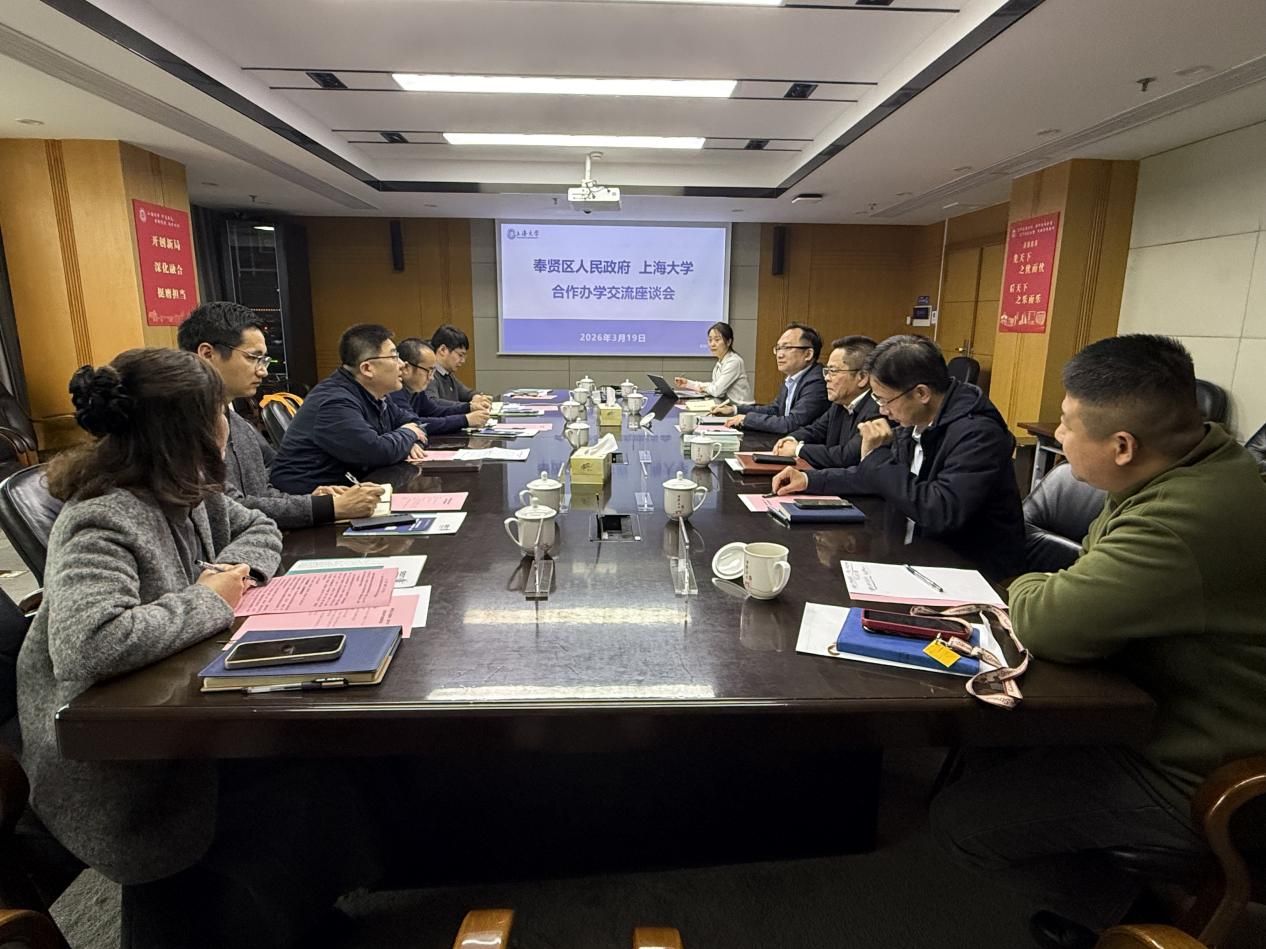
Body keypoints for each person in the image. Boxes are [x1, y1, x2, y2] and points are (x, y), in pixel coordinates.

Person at [16, 349, 382, 947]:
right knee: (296, 770)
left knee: (322, 762)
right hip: (118, 753)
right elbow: (88, 644)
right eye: (220, 413)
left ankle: (299, 912)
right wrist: (210, 599)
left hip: (180, 695)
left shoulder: (186, 488)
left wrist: (238, 572)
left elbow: (258, 527)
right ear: (191, 428)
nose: (228, 425)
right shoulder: (102, 518)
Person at [931, 335, 1266, 949]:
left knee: (962, 823)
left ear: (1122, 446)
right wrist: (1062, 588)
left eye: (1066, 423)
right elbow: (1083, 582)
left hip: (1205, 769)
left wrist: (1024, 581)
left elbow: (1046, 621)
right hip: (1159, 706)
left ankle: (1124, 918)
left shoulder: (1180, 519)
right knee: (991, 748)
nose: (1057, 434)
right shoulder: (1196, 465)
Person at [772, 334, 1023, 579]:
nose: (882, 411)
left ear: (921, 393)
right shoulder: (917, 419)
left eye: (885, 400)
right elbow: (873, 476)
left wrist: (875, 456)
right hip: (914, 554)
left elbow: (939, 510)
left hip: (967, 570)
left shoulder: (977, 434)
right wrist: (809, 480)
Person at [178, 302, 383, 527]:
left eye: (263, 360)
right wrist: (326, 507)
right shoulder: (179, 429)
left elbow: (266, 489)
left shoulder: (238, 424)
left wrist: (312, 499)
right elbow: (227, 509)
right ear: (207, 354)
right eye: (253, 357)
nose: (263, 371)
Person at [269, 324, 427, 494]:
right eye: (394, 357)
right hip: (310, 500)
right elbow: (375, 452)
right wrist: (409, 435)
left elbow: (415, 423)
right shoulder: (334, 402)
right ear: (367, 368)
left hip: (353, 491)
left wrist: (409, 441)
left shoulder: (376, 394)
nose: (402, 365)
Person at [769, 335, 885, 469]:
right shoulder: (839, 404)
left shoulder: (879, 410)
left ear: (862, 377)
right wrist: (791, 439)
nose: (827, 378)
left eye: (833, 371)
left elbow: (847, 457)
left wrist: (798, 449)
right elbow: (816, 430)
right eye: (827, 371)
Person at [715, 322, 828, 434]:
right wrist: (735, 410)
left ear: (808, 354)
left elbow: (792, 423)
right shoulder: (792, 378)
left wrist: (747, 419)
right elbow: (775, 410)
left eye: (786, 347)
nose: (779, 355)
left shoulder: (817, 382)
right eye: (778, 348)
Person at [391, 337, 490, 435]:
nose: (431, 378)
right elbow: (416, 424)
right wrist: (465, 420)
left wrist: (469, 407)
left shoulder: (415, 390)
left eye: (433, 371)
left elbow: (435, 411)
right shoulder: (394, 392)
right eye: (428, 370)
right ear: (406, 368)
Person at [672, 321, 752, 403]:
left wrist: (704, 388)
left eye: (717, 340)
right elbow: (714, 386)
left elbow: (716, 391)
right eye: (710, 340)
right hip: (727, 406)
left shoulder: (734, 361)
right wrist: (688, 383)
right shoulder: (720, 362)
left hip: (741, 408)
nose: (712, 344)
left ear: (728, 342)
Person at [426, 323, 481, 404]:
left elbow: (466, 393)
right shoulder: (429, 375)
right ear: (443, 350)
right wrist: (467, 406)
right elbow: (433, 403)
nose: (463, 361)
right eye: (460, 355)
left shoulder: (447, 374)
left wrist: (478, 397)